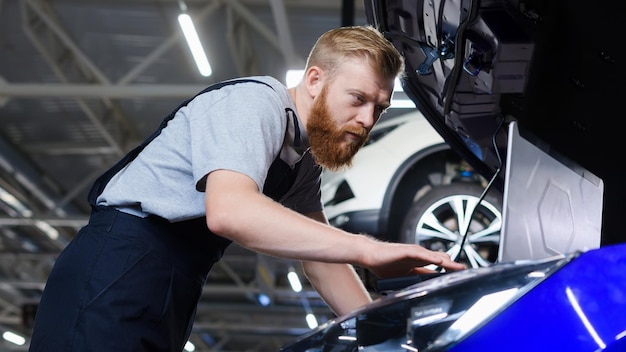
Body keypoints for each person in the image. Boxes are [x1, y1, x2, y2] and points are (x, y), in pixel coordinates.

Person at [28, 25, 465, 351]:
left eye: (380, 108)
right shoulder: (255, 103)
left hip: (172, 285)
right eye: (358, 99)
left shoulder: (300, 158)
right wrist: (367, 249)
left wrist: (385, 334)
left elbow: (321, 261)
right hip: (117, 268)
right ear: (314, 80)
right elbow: (231, 211)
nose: (368, 120)